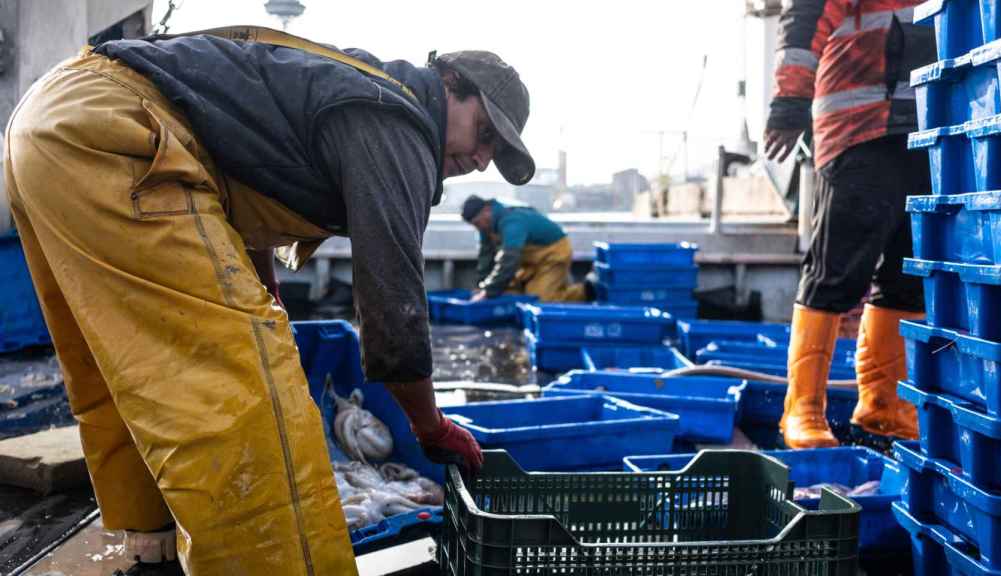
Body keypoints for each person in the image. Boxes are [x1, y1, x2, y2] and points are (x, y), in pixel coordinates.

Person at [3, 25, 534, 575]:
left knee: (122, 372)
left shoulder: (347, 81)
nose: (482, 158)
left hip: (49, 123)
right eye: (485, 132)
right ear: (450, 83)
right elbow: (393, 302)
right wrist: (430, 425)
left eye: (496, 152)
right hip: (121, 134)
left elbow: (235, 174)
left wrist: (263, 290)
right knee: (247, 410)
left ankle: (151, 551)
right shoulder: (398, 119)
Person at [764, 2, 935, 448]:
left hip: (934, 126)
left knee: (910, 273)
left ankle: (883, 409)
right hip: (860, 122)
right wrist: (791, 98)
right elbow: (806, 14)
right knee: (836, 269)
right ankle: (803, 409)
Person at [461, 195, 590, 302]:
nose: (478, 227)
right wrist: (482, 286)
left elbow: (509, 259)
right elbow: (486, 256)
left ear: (487, 210)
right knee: (507, 292)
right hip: (528, 262)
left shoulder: (512, 221)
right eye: (474, 225)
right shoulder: (486, 227)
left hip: (554, 255)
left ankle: (587, 291)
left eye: (478, 223)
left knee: (539, 299)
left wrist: (488, 292)